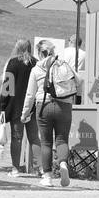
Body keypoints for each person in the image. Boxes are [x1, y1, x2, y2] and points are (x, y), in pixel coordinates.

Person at [22, 40, 77, 188]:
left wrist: (25, 113)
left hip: (43, 105)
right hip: (64, 106)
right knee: (62, 139)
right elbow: (78, 81)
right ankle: (63, 163)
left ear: (40, 53)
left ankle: (47, 176)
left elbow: (30, 94)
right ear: (53, 51)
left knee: (46, 142)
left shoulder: (36, 69)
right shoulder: (63, 64)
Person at [1, 38, 40, 177]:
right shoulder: (36, 63)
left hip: (16, 105)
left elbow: (7, 86)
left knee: (17, 137)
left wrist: (2, 105)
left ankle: (15, 169)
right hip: (33, 105)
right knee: (34, 138)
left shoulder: (13, 62)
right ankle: (40, 169)